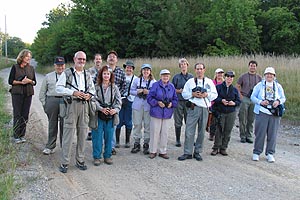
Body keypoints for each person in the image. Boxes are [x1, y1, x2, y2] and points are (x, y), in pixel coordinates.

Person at [56, 51, 95, 173]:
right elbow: (58, 88)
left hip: (84, 105)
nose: (81, 61)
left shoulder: (87, 74)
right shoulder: (67, 73)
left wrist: (89, 96)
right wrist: (73, 92)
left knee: (83, 134)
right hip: (71, 104)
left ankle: (80, 160)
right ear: (74, 59)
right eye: (79, 59)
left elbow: (93, 90)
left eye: (84, 59)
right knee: (68, 134)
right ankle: (65, 162)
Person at [178, 63, 217, 161]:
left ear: (204, 70)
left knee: (201, 132)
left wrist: (206, 94)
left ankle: (197, 152)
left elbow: (215, 94)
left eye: (201, 69)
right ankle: (187, 152)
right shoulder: (190, 82)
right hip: (193, 108)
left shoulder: (209, 82)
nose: (199, 71)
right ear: (195, 70)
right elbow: (184, 94)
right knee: (189, 131)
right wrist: (193, 94)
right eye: (197, 69)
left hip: (204, 108)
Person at [250, 67, 286, 163]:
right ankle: (256, 152)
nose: (269, 76)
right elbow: (252, 97)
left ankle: (270, 153)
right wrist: (260, 102)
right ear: (264, 75)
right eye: (267, 74)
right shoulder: (259, 86)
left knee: (272, 134)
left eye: (271, 74)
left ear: (274, 76)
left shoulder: (278, 86)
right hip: (262, 111)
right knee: (260, 133)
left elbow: (283, 98)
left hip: (274, 113)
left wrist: (278, 101)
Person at [89, 66, 122, 166]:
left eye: (108, 73)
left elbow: (119, 102)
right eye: (104, 73)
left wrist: (114, 110)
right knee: (97, 137)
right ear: (101, 75)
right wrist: (101, 109)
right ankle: (97, 157)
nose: (106, 75)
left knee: (109, 136)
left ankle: (107, 156)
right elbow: (92, 100)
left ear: (111, 75)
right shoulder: (96, 87)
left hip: (110, 116)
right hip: (98, 114)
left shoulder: (115, 88)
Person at [147, 69, 178, 159]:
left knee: (165, 132)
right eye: (164, 75)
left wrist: (172, 104)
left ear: (169, 76)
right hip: (156, 111)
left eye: (167, 76)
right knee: (154, 132)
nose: (165, 77)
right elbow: (149, 98)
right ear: (160, 76)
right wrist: (157, 102)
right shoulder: (155, 85)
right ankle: (153, 150)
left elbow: (175, 99)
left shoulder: (171, 86)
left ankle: (163, 151)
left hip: (167, 113)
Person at [8, 49, 37, 144]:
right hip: (17, 93)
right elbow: (10, 81)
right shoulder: (15, 67)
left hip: (28, 94)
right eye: (27, 56)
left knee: (25, 114)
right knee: (17, 114)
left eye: (30, 57)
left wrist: (29, 81)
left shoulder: (31, 68)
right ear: (22, 57)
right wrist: (21, 82)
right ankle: (16, 135)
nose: (29, 58)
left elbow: (34, 82)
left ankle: (22, 135)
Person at [39, 56, 65, 154]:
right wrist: (45, 105)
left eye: (62, 65)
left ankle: (64, 147)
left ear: (64, 65)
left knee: (65, 125)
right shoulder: (48, 76)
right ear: (54, 65)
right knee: (52, 124)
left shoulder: (68, 76)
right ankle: (50, 146)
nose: (60, 67)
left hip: (64, 101)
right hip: (52, 100)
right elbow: (42, 93)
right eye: (58, 65)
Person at [210, 71, 241, 156]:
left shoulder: (234, 90)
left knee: (228, 130)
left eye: (231, 77)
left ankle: (223, 148)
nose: (229, 79)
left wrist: (233, 103)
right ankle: (216, 148)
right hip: (220, 111)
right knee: (219, 130)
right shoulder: (218, 87)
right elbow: (213, 98)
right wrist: (221, 100)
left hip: (231, 112)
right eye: (228, 77)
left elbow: (238, 101)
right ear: (225, 77)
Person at [130, 64, 156, 155]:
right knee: (137, 124)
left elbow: (155, 93)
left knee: (147, 125)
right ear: (141, 71)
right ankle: (136, 143)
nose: (146, 72)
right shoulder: (136, 80)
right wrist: (138, 91)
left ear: (150, 72)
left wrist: (148, 92)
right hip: (137, 105)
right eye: (144, 70)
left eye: (148, 70)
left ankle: (146, 144)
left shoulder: (153, 82)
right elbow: (131, 91)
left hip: (148, 106)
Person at [236, 60, 262, 143]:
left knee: (251, 119)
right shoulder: (243, 76)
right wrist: (240, 96)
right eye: (251, 65)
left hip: (254, 99)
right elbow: (237, 85)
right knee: (242, 118)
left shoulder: (259, 78)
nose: (252, 67)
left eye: (254, 66)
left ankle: (249, 135)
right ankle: (242, 135)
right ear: (249, 66)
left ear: (256, 67)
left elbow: (262, 88)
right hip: (245, 98)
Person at [106, 50, 126, 155]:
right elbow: (96, 83)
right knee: (103, 124)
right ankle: (103, 145)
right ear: (107, 59)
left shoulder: (120, 71)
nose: (112, 58)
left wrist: (118, 96)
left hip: (115, 103)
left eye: (114, 57)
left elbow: (124, 85)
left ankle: (111, 146)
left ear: (116, 60)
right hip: (103, 102)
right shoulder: (102, 70)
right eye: (110, 56)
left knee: (113, 125)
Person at [171, 58, 193, 147]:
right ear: (180, 66)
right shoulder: (176, 77)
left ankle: (189, 139)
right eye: (181, 64)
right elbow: (171, 89)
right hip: (178, 101)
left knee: (189, 121)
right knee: (178, 121)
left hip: (188, 101)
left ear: (187, 65)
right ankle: (177, 139)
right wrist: (178, 91)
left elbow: (194, 88)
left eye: (185, 64)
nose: (183, 65)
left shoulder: (191, 77)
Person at [115, 60, 137, 148]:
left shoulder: (136, 79)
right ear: (125, 68)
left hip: (131, 101)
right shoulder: (121, 76)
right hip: (120, 100)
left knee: (128, 121)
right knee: (118, 121)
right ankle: (117, 141)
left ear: (133, 69)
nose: (129, 69)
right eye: (127, 67)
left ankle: (127, 141)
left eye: (131, 68)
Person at [87, 53, 103, 141]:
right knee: (92, 112)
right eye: (96, 59)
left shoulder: (104, 70)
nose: (98, 60)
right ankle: (90, 131)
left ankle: (99, 131)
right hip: (92, 94)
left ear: (101, 60)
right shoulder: (89, 71)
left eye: (99, 59)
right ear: (94, 60)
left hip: (101, 94)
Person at [208, 68, 225, 141]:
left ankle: (219, 135)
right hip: (213, 103)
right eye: (218, 73)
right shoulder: (212, 82)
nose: (220, 75)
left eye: (221, 73)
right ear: (216, 74)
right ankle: (211, 134)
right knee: (213, 120)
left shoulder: (225, 83)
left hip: (222, 103)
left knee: (221, 120)